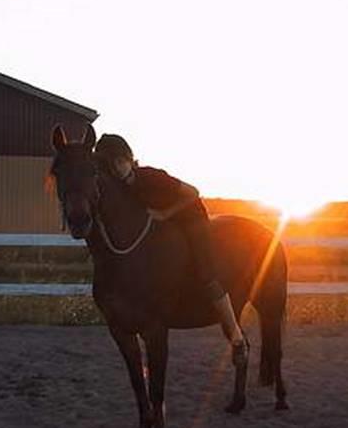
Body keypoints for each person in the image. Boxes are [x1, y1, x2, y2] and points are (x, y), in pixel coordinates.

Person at [94, 134, 249, 365]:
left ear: (129, 158)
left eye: (120, 162)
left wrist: (166, 214)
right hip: (165, 224)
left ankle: (236, 335)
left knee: (206, 274)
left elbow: (194, 192)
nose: (117, 169)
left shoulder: (151, 176)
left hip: (191, 218)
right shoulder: (122, 187)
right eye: (111, 164)